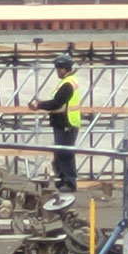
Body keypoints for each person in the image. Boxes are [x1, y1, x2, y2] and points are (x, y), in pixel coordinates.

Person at [28, 55, 80, 193]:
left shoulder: (67, 84)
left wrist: (39, 105)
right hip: (63, 122)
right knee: (60, 154)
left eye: (58, 69)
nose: (57, 72)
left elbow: (57, 103)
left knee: (64, 154)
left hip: (66, 123)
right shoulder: (68, 82)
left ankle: (69, 182)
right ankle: (63, 181)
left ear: (63, 69)